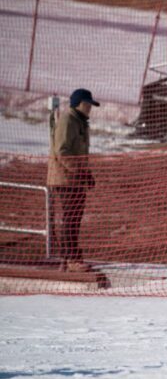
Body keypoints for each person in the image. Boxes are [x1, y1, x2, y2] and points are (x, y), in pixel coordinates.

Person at [47, 89, 98, 273]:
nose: (90, 108)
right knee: (70, 219)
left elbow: (78, 153)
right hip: (65, 180)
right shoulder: (67, 120)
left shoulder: (80, 122)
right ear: (79, 103)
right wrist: (79, 172)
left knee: (74, 219)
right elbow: (62, 151)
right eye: (87, 104)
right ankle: (71, 259)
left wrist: (86, 173)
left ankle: (68, 259)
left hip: (74, 179)